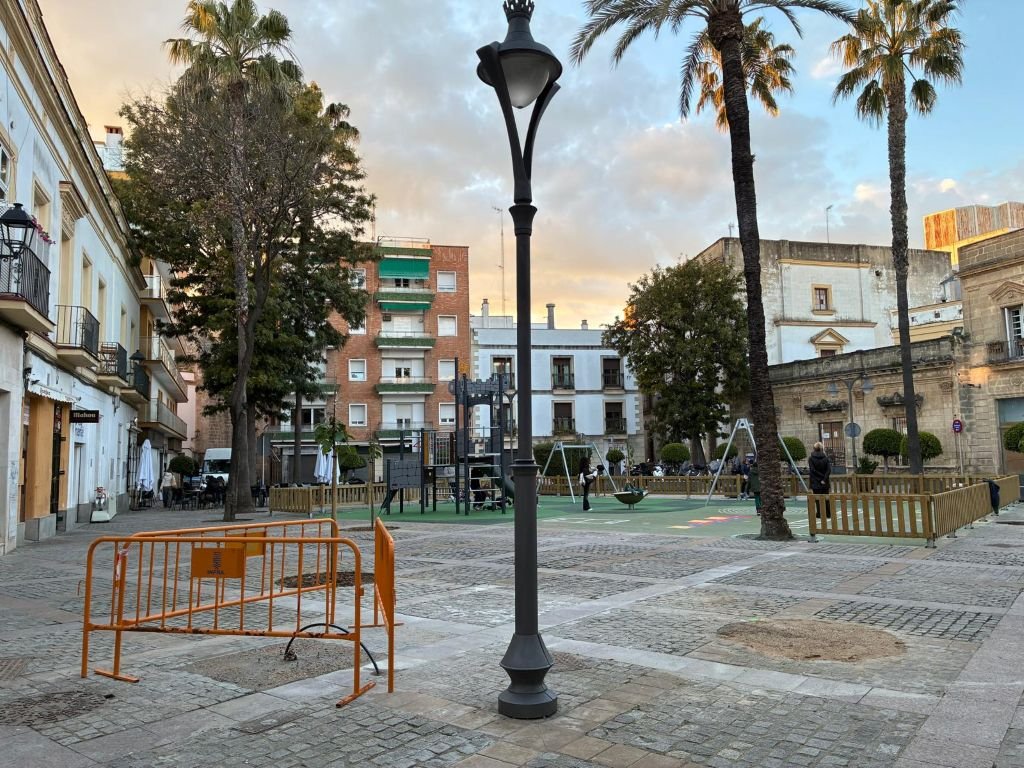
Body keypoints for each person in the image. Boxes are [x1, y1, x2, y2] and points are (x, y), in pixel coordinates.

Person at [808, 441, 832, 520]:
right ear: (821, 448)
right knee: (826, 498)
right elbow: (828, 470)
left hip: (815, 481)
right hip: (825, 481)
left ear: (814, 448)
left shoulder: (811, 458)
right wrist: (824, 479)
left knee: (817, 499)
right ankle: (828, 513)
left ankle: (819, 513)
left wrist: (820, 478)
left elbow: (812, 470)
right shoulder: (826, 458)